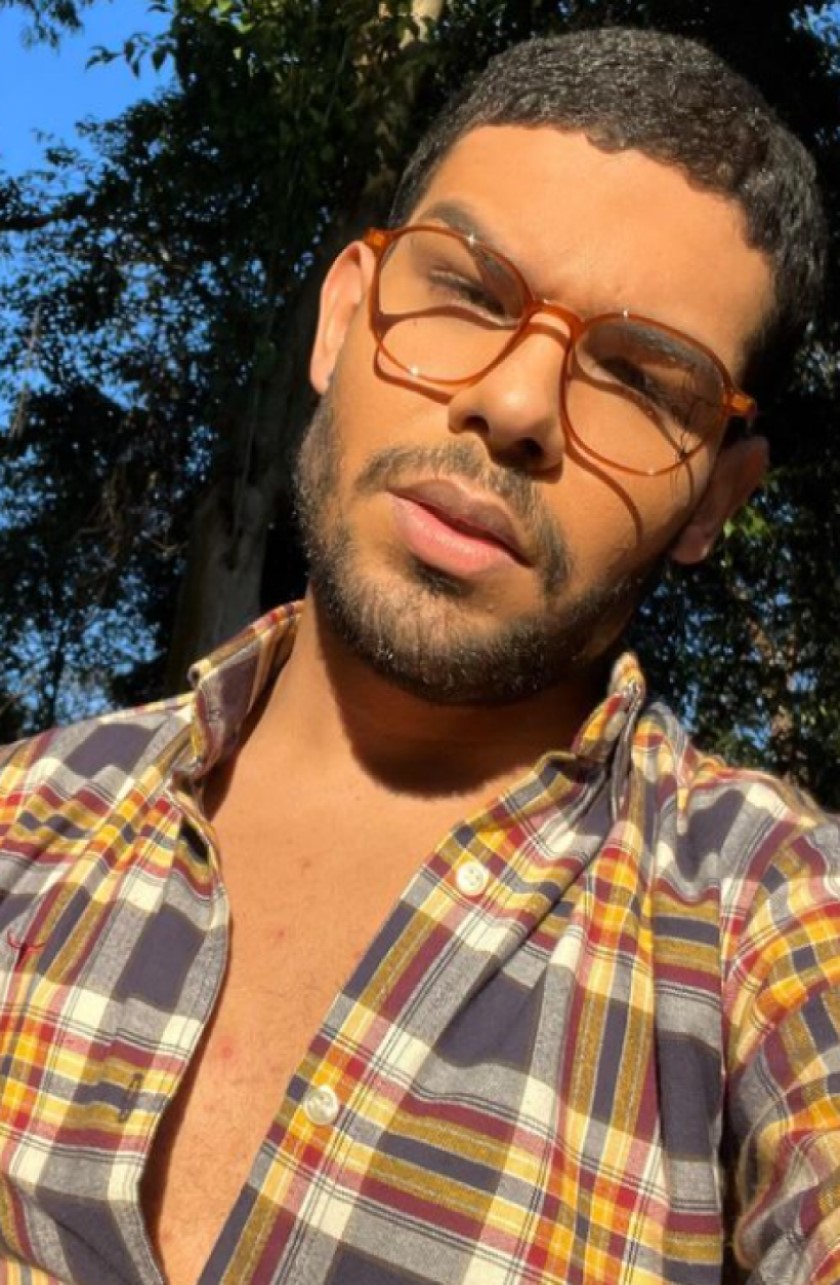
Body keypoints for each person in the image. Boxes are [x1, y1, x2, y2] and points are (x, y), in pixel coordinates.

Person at [0, 23, 837, 1285]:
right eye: (469, 292)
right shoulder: (24, 817)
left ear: (714, 500)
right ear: (343, 316)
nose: (515, 405)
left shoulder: (766, 908)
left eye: (641, 379)